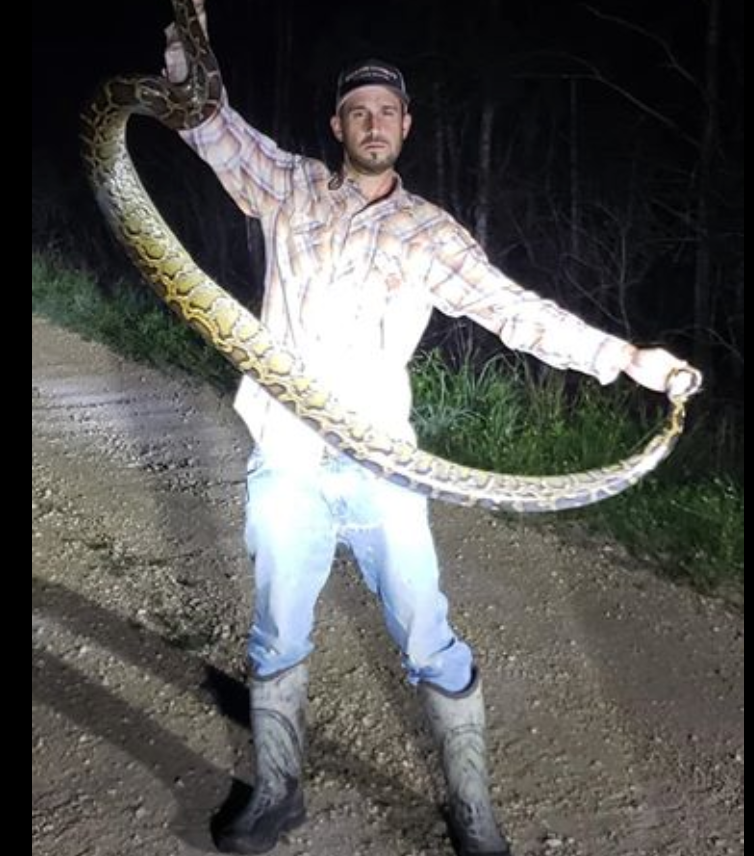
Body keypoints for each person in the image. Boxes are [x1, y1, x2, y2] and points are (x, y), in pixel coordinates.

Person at [164, 4, 696, 855]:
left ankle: (471, 807)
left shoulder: (428, 231)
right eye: (357, 111)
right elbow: (208, 125)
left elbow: (516, 311)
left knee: (427, 637)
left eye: (387, 112)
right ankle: (277, 789)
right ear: (337, 124)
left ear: (406, 128)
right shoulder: (290, 185)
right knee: (275, 631)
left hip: (384, 467)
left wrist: (630, 359)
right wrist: (186, 44)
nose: (372, 124)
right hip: (290, 459)